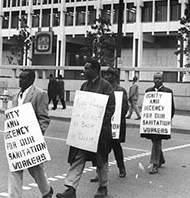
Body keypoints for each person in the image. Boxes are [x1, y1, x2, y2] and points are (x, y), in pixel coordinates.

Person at [56, 58, 115, 198]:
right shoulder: (84, 86)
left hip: (100, 132)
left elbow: (110, 109)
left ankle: (103, 188)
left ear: (95, 70)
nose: (84, 71)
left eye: (87, 68)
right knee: (78, 157)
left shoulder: (106, 87)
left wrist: (97, 124)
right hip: (84, 132)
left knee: (101, 161)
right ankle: (70, 188)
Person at [8, 69, 53, 198]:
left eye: (23, 78)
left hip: (32, 139)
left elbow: (44, 118)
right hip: (17, 139)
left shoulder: (40, 94)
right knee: (15, 167)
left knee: (36, 168)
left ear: (31, 80)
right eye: (19, 77)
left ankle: (46, 191)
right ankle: (14, 196)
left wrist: (37, 135)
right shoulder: (16, 96)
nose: (20, 80)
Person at [141, 72, 175, 175]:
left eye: (159, 79)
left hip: (161, 123)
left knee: (156, 141)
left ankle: (154, 164)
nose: (157, 80)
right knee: (154, 140)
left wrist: (167, 119)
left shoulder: (168, 92)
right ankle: (161, 159)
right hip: (151, 123)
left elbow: (171, 107)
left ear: (162, 80)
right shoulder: (148, 92)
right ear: (153, 79)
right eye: (155, 78)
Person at [104, 67, 129, 178]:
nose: (106, 77)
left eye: (108, 75)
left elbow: (124, 108)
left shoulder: (121, 90)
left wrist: (117, 119)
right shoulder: (104, 89)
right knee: (103, 149)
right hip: (105, 124)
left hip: (115, 125)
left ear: (114, 77)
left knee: (116, 147)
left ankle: (121, 168)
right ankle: (101, 172)